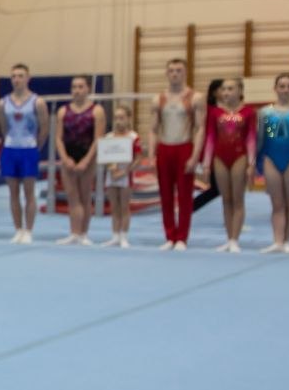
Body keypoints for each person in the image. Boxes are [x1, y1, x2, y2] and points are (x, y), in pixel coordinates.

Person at [149, 58, 205, 251]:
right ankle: (169, 236)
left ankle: (182, 237)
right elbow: (153, 129)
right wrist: (151, 155)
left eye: (179, 70)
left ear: (185, 72)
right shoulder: (158, 99)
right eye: (171, 70)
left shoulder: (195, 98)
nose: (175, 74)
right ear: (166, 73)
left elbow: (200, 128)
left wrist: (195, 155)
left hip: (184, 147)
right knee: (165, 196)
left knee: (184, 195)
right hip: (164, 148)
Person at [256, 73, 289, 254]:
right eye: (282, 86)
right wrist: (255, 163)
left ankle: (287, 241)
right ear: (275, 89)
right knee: (277, 203)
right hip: (271, 159)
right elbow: (262, 139)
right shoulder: (266, 112)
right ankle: (277, 241)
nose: (285, 90)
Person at [201, 78, 255, 253]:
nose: (226, 92)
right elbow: (210, 138)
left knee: (238, 199)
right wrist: (206, 164)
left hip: (240, 157)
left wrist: (251, 163)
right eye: (224, 89)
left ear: (240, 91)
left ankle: (235, 239)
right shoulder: (215, 113)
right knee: (226, 199)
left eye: (230, 89)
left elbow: (251, 138)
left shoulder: (248, 112)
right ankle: (229, 238)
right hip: (219, 158)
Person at [0, 64, 47, 244]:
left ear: (28, 78)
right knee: (13, 193)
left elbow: (44, 128)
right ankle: (18, 229)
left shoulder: (37, 102)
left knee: (29, 192)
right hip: (10, 148)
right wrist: (10, 142)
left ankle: (29, 230)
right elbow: (3, 127)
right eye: (13, 76)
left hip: (29, 149)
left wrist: (35, 147)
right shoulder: (3, 103)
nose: (16, 79)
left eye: (20, 76)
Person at [54, 77, 106, 246]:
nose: (77, 90)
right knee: (72, 197)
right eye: (74, 87)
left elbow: (98, 138)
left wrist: (86, 161)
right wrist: (64, 158)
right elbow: (58, 138)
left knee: (84, 196)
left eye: (80, 87)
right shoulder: (63, 111)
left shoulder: (97, 110)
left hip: (87, 157)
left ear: (88, 89)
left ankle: (83, 233)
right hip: (68, 157)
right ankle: (74, 233)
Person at [101, 104, 142, 248]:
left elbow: (138, 159)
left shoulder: (134, 137)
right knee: (114, 207)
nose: (118, 121)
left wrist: (124, 172)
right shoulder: (108, 137)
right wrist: (112, 170)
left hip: (126, 176)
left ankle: (124, 236)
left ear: (128, 119)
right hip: (112, 175)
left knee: (124, 207)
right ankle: (115, 236)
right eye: (116, 118)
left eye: (122, 118)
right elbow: (105, 157)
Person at [193, 79, 225, 212]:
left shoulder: (228, 109)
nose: (226, 92)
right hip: (211, 152)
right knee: (217, 188)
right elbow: (203, 131)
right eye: (223, 89)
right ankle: (189, 207)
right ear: (214, 92)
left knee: (222, 188)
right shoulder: (208, 110)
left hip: (226, 151)